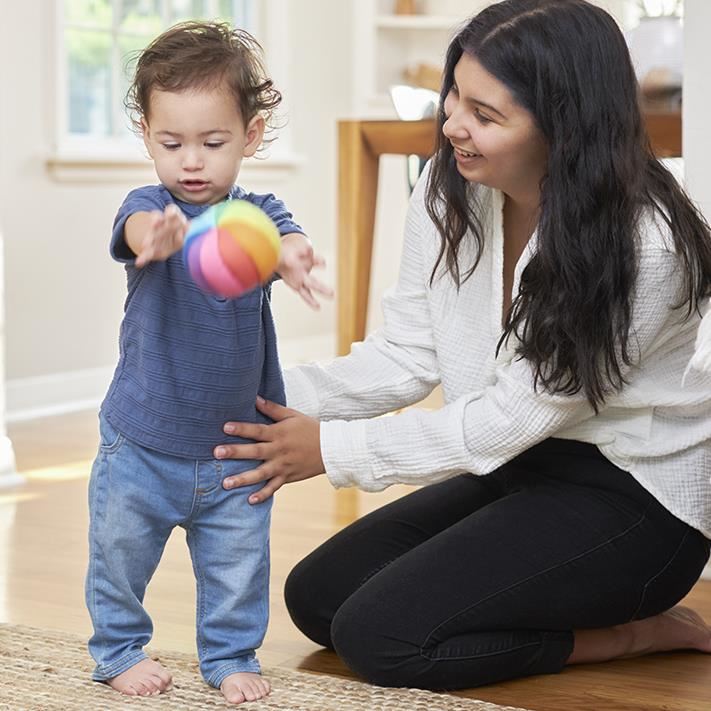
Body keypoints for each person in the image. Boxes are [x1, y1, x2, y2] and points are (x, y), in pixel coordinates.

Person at [212, 0, 711, 692]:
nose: (451, 124)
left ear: (562, 125)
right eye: (453, 95)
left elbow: (505, 419)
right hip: (526, 466)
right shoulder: (453, 192)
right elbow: (408, 353)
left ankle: (637, 630)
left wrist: (329, 448)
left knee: (379, 636)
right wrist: (248, 389)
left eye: (484, 113)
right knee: (317, 597)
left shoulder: (642, 246)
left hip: (634, 499)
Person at [85, 21, 330, 705]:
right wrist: (154, 238)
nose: (190, 161)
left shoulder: (257, 217)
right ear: (147, 135)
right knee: (118, 557)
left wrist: (295, 255)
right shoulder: (150, 208)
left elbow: (289, 238)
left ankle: (228, 654)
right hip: (140, 443)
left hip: (232, 451)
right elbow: (133, 230)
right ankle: (116, 649)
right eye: (171, 143)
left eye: (212, 142)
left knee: (237, 566)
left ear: (249, 136)